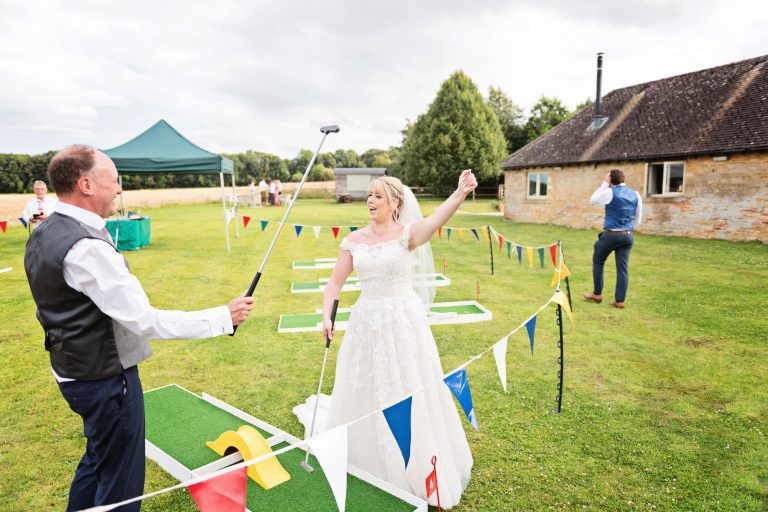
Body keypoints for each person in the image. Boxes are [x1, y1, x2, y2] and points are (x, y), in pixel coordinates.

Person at [24, 145, 254, 512]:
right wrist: (222, 317)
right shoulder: (86, 247)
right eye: (114, 180)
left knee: (99, 460)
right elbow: (146, 320)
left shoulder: (47, 229)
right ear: (85, 184)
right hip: (103, 379)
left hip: (73, 372)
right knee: (122, 485)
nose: (119, 189)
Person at [294, 171, 478, 508]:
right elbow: (335, 284)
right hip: (366, 323)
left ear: (395, 202)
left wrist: (460, 192)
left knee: (407, 385)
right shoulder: (354, 240)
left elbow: (437, 218)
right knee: (365, 384)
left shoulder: (407, 235)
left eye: (378, 196)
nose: (370, 201)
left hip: (403, 322)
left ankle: (413, 459)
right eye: (369, 195)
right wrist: (326, 314)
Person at [583, 169, 643, 308]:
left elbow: (593, 201)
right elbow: (637, 219)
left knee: (598, 261)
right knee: (623, 269)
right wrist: (627, 229)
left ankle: (597, 294)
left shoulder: (610, 192)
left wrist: (604, 183)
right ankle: (619, 301)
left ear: (610, 180)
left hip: (611, 235)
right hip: (628, 236)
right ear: (623, 179)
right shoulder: (636, 195)